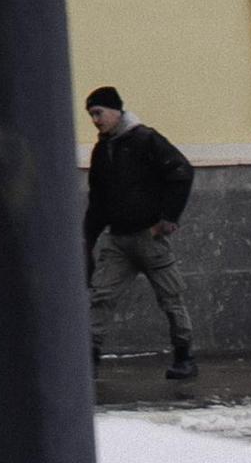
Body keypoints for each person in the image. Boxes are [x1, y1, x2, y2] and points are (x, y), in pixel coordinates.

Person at [83, 84, 198, 381]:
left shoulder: (146, 139)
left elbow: (181, 172)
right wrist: (88, 239)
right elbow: (97, 201)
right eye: (91, 114)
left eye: (99, 112)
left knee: (171, 299)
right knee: (100, 298)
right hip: (117, 239)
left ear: (116, 110)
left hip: (150, 238)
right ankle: (88, 361)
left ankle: (184, 357)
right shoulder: (102, 150)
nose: (95, 119)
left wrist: (168, 218)